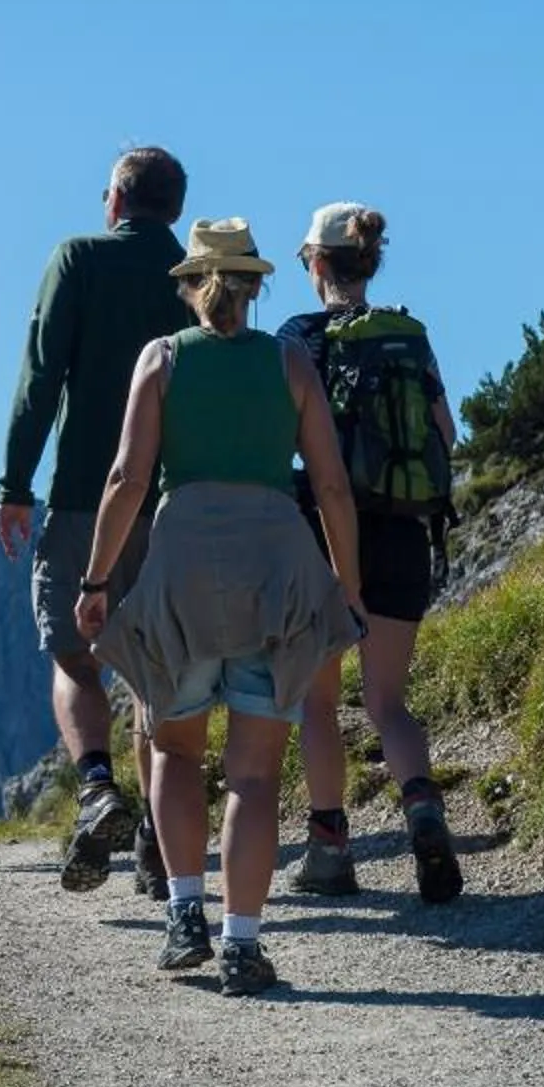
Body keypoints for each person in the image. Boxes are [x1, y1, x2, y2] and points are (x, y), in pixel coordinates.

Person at [76, 218, 361, 997]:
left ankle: (182, 915)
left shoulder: (162, 359)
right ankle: (242, 943)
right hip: (277, 570)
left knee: (173, 754)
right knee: (256, 778)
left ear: (188, 284)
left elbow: (127, 481)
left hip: (181, 575)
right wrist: (347, 581)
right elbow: (331, 486)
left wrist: (97, 582)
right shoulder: (291, 362)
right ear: (257, 285)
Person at [0, 146, 195, 896]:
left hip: (87, 492)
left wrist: (16, 484)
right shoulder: (195, 275)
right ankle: (155, 830)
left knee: (74, 655)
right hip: (174, 502)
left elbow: (39, 375)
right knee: (155, 669)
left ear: (114, 200)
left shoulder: (77, 258)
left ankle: (95, 786)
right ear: (174, 207)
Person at [278, 203, 464, 903]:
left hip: (322, 533)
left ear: (317, 264)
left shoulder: (298, 338)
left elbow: (283, 439)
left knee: (319, 703)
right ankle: (422, 807)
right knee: (389, 701)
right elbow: (445, 431)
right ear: (370, 262)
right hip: (402, 533)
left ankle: (329, 851)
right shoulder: (409, 334)